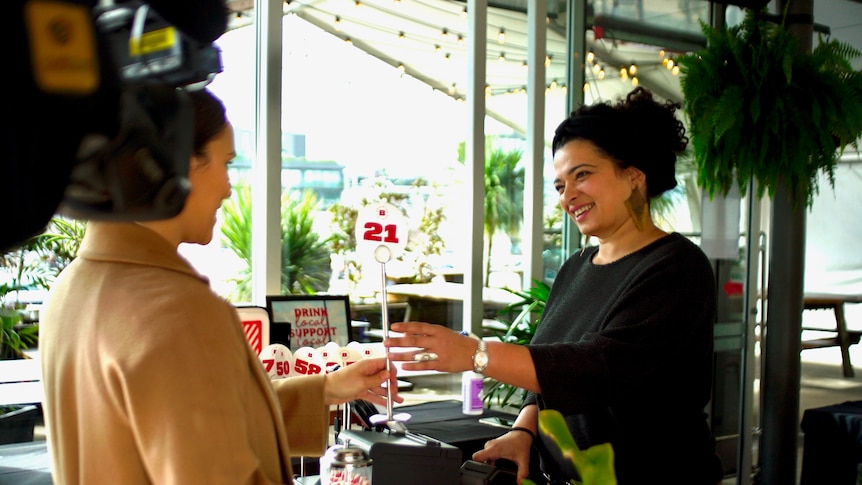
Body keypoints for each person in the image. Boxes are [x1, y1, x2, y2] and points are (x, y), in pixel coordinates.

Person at [39, 87, 401, 485]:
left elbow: (185, 417)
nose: (229, 187)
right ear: (175, 167)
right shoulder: (176, 310)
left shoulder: (71, 288)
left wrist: (327, 389)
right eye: (226, 163)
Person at [385, 87, 724, 484]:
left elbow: (594, 370)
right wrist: (523, 431)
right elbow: (548, 370)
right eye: (561, 185)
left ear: (633, 176)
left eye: (582, 175)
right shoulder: (576, 266)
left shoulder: (676, 267)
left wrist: (475, 354)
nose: (568, 196)